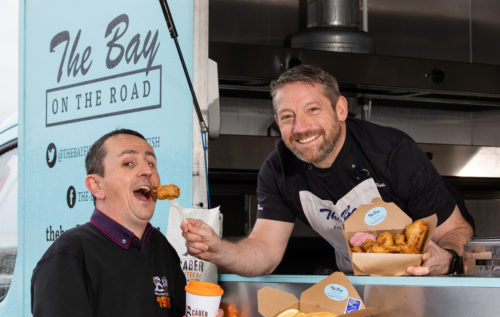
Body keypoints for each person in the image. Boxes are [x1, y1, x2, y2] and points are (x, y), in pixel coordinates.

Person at [182, 65, 473, 276]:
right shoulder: (278, 170)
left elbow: (456, 231)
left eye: (313, 110)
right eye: (287, 116)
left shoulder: (392, 152)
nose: (300, 127)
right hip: (355, 287)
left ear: (341, 109)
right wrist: (219, 250)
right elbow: (264, 252)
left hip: (425, 286)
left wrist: (446, 259)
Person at [31, 129, 224, 317]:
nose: (147, 171)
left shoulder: (161, 248)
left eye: (152, 163)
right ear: (96, 186)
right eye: (129, 163)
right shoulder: (68, 257)